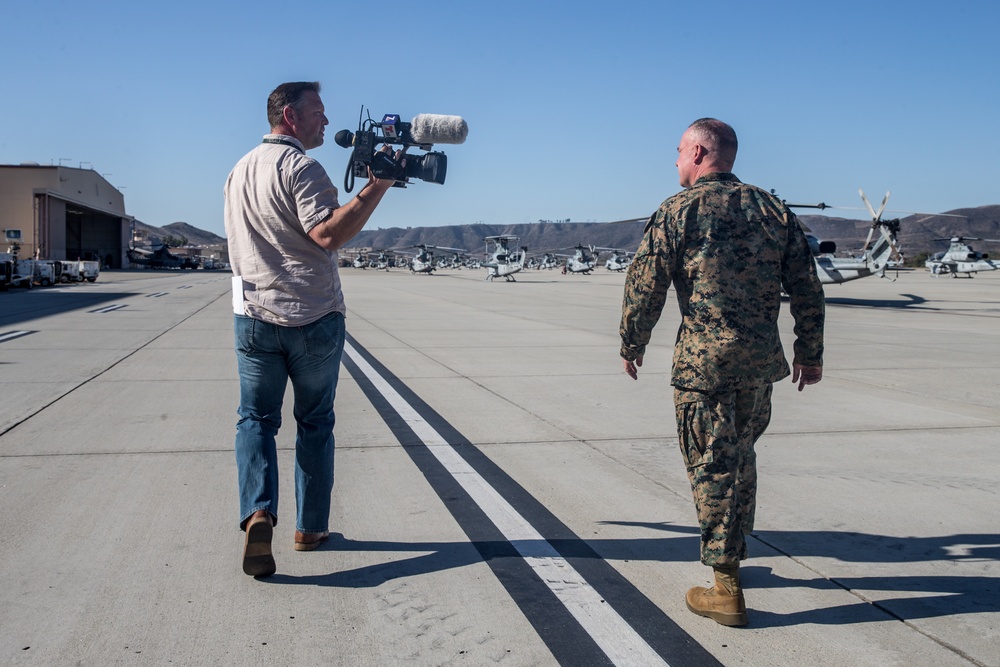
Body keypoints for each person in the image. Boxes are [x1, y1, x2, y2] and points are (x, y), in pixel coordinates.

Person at [619, 118, 825, 626]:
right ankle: (734, 554)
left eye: (677, 151)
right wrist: (810, 351)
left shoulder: (677, 211)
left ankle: (725, 585)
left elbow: (646, 284)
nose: (674, 162)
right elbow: (806, 285)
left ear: (696, 153)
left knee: (712, 466)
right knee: (741, 457)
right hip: (759, 367)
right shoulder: (772, 209)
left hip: (704, 367)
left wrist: (632, 341)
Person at [224, 81, 397, 577]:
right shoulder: (301, 167)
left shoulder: (238, 170)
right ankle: (310, 527)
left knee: (255, 420)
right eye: (318, 112)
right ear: (290, 118)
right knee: (315, 422)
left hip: (253, 317)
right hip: (312, 317)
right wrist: (377, 186)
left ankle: (259, 512)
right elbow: (327, 232)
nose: (326, 121)